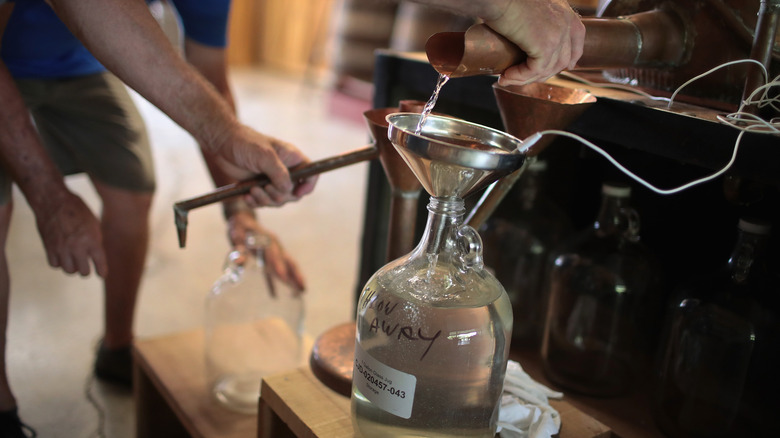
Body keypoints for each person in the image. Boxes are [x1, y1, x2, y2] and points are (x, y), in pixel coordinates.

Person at [0, 1, 309, 436]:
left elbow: (211, 80)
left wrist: (239, 208)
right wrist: (48, 195)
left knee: (133, 186)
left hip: (82, 64)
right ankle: (1, 407)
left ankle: (117, 348)